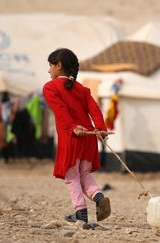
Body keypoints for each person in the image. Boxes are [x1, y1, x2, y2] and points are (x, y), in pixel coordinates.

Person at [42, 48, 111, 224]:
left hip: (71, 136)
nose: (49, 70)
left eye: (50, 65)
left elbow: (61, 110)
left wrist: (72, 127)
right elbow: (94, 110)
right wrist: (100, 129)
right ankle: (98, 196)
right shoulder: (83, 89)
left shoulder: (50, 87)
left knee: (71, 176)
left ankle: (81, 213)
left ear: (59, 66)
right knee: (84, 173)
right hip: (88, 137)